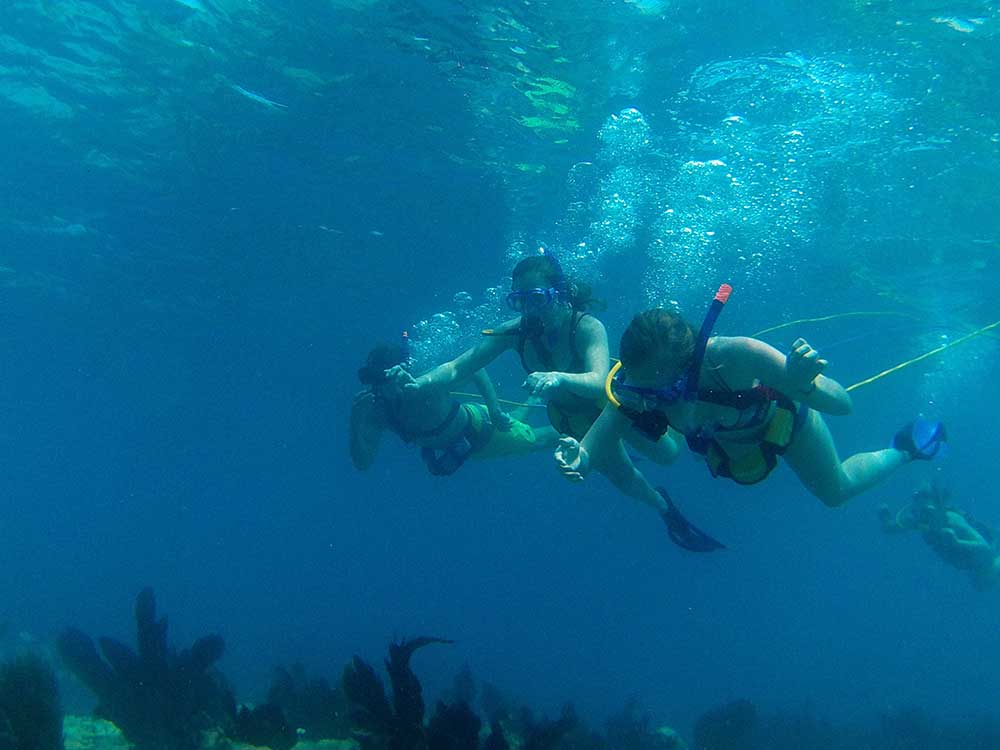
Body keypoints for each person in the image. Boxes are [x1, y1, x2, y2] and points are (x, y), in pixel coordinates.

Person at [555, 284, 947, 511]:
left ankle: (905, 450)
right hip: (727, 448)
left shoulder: (737, 356)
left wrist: (801, 383)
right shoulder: (639, 387)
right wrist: (579, 458)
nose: (651, 401)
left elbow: (844, 404)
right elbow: (595, 443)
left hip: (785, 425)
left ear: (690, 365)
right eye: (642, 391)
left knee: (836, 491)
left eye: (662, 391)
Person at [350, 337, 558, 476]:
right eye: (371, 380)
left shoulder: (426, 384)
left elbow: (475, 369)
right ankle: (534, 398)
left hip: (481, 430)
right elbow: (363, 463)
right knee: (514, 419)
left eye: (384, 380)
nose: (378, 389)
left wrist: (494, 411)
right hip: (462, 441)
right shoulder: (378, 412)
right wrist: (356, 424)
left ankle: (575, 426)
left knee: (537, 439)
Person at [880, 483, 1000, 590]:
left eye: (929, 511)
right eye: (920, 512)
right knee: (979, 585)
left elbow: (986, 549)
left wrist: (958, 542)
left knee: (982, 584)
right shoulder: (920, 521)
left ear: (938, 507)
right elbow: (891, 527)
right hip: (972, 565)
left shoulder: (952, 520)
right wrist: (884, 514)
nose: (926, 516)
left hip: (988, 562)